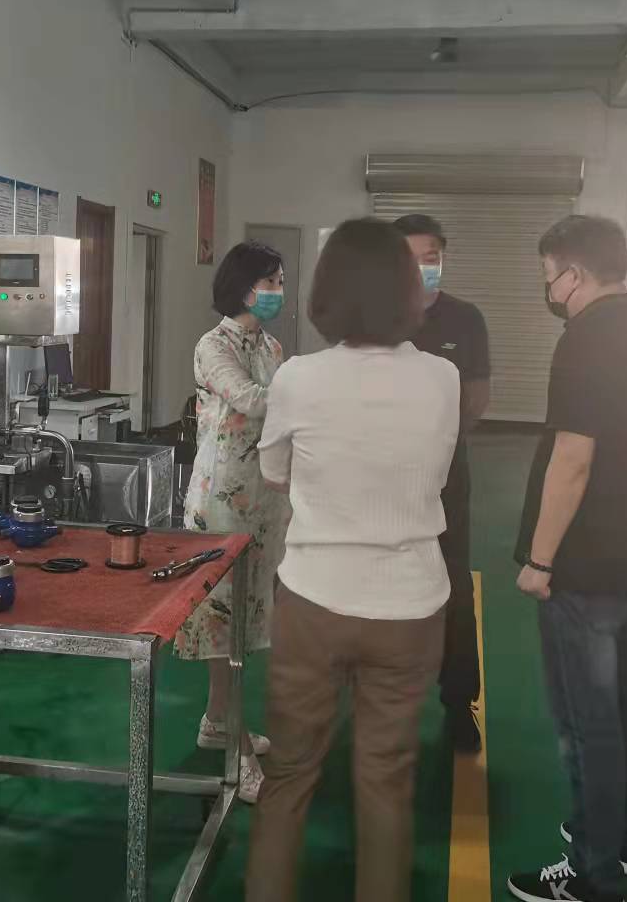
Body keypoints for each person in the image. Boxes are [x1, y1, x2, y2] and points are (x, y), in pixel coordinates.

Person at [246, 218, 460, 902]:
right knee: (386, 780)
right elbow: (434, 473)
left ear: (327, 291)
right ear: (407, 289)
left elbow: (273, 473)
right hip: (411, 606)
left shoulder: (299, 378)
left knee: (289, 775)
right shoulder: (444, 378)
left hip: (315, 598)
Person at [508, 215, 627, 902]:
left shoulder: (584, 341)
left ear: (573, 273)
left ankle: (591, 872)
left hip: (581, 563)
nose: (549, 289)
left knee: (587, 724)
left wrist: (540, 560)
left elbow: (573, 459)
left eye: (549, 276)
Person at [174, 241, 291, 803]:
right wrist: (315, 394)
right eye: (271, 282)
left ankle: (217, 719)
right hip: (221, 499)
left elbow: (280, 410)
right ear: (244, 288)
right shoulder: (212, 345)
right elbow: (249, 398)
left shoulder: (271, 345)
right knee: (224, 618)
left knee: (243, 617)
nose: (278, 292)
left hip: (263, 498)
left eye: (280, 282)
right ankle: (236, 748)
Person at [395, 213, 491, 754]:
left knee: (452, 583)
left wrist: (436, 441)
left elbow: (476, 399)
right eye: (409, 258)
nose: (421, 267)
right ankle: (384, 701)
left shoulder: (465, 319)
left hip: (446, 475)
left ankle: (459, 704)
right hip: (382, 478)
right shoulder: (374, 318)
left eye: (430, 257)